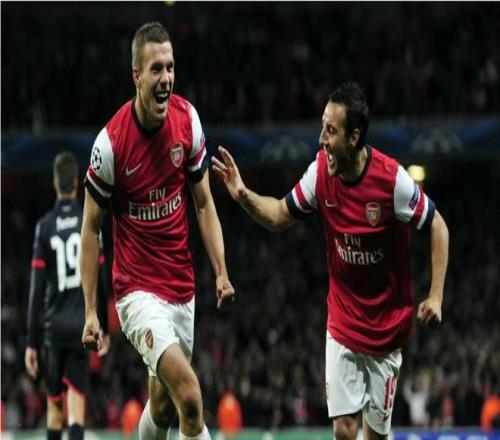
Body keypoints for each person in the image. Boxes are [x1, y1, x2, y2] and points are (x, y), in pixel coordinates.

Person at [212, 81, 449, 440]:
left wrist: (435, 296)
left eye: (331, 131)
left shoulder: (391, 181)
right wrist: (242, 194)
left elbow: (438, 225)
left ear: (354, 137)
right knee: (343, 431)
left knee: (375, 436)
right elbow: (279, 215)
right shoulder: (321, 172)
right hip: (343, 322)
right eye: (322, 127)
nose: (322, 139)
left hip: (386, 329)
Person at [80, 22, 235, 440]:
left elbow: (204, 203)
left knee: (163, 408)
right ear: (136, 76)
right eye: (156, 69)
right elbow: (91, 229)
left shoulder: (188, 121)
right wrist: (92, 311)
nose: (166, 78)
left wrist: (221, 271)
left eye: (170, 67)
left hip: (182, 286)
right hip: (136, 292)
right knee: (190, 396)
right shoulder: (110, 144)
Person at [25, 151, 110, 440]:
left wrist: (31, 342)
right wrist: (103, 327)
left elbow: (36, 290)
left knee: (54, 410)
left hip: (53, 330)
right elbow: (101, 280)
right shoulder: (89, 221)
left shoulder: (44, 227)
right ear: (76, 182)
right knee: (76, 410)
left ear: (55, 182)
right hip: (80, 328)